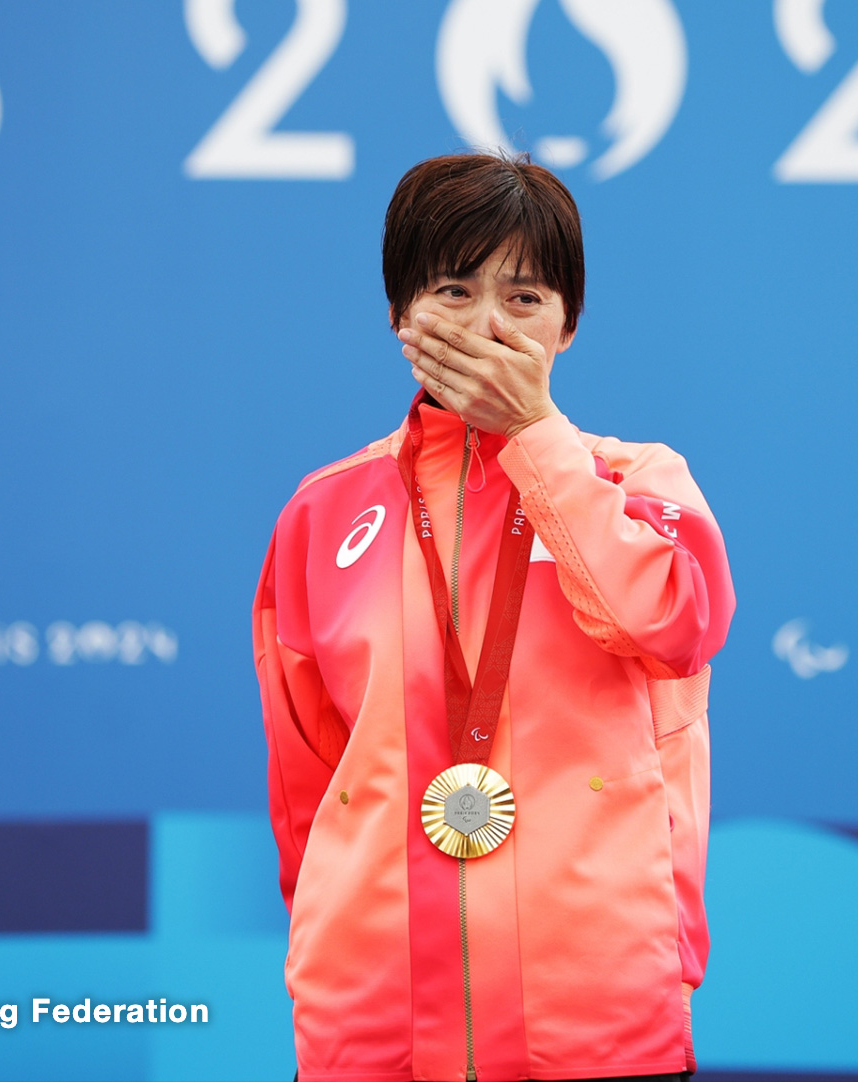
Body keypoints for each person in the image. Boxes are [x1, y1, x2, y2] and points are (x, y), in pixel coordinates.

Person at [253, 152, 735, 1082]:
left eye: (524, 298)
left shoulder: (639, 484)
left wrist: (536, 443)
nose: (488, 326)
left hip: (600, 1018)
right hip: (373, 1021)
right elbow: (307, 781)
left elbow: (674, 627)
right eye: (454, 288)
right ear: (400, 314)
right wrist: (327, 954)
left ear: (569, 327)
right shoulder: (322, 512)